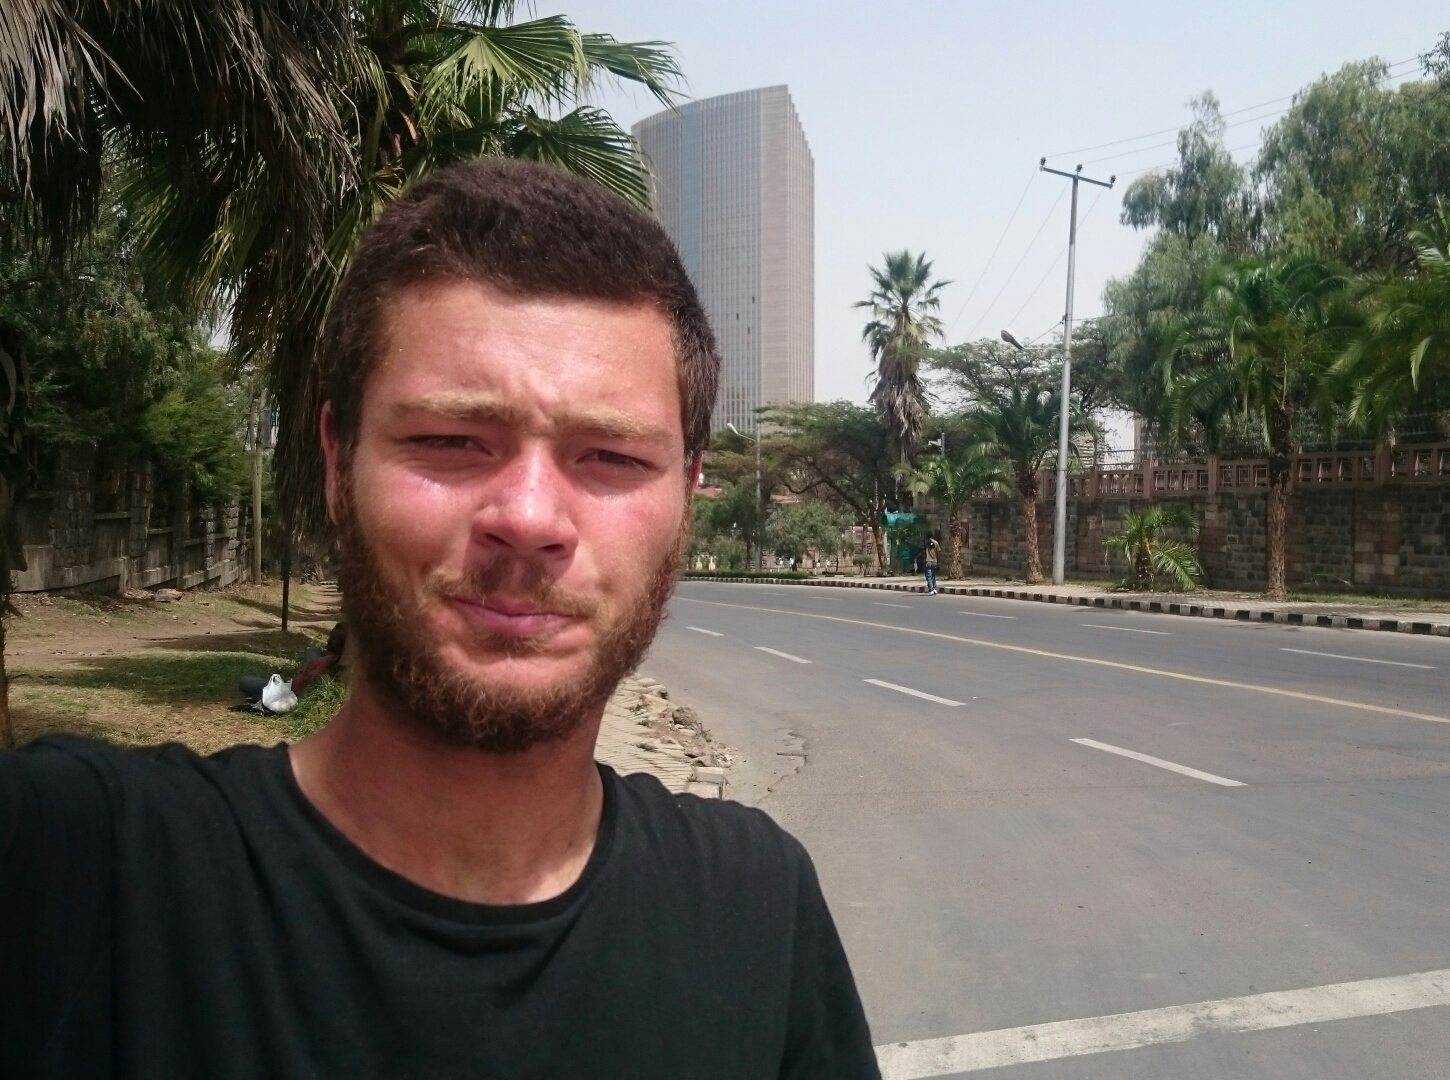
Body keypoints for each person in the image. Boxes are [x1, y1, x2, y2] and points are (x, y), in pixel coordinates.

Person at [0, 160, 881, 1079]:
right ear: (337, 463)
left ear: (688, 498)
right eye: (451, 441)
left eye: (612, 457)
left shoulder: (756, 908)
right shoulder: (79, 872)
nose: (529, 519)